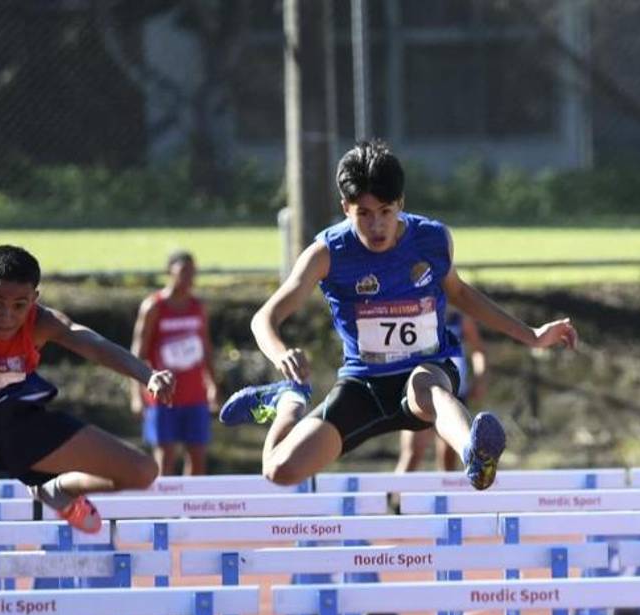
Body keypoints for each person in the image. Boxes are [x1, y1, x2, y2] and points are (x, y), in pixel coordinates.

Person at [218, 139, 577, 493]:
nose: (377, 226)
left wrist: (531, 335)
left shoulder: (432, 240)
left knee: (428, 388)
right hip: (364, 384)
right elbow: (264, 318)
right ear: (346, 208)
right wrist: (280, 353)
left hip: (426, 368)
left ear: (400, 204)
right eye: (364, 214)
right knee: (279, 470)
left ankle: (475, 454)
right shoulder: (327, 254)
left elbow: (461, 294)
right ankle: (288, 400)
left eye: (386, 212)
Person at [0, 245, 174, 532]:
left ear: (34, 300)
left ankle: (55, 489)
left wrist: (147, 374)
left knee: (142, 472)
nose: (5, 316)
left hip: (17, 424)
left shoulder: (41, 323)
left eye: (19, 305)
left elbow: (95, 347)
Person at [131, 250, 218, 475]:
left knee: (198, 455)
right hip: (162, 395)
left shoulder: (198, 307)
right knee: (165, 457)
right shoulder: (154, 307)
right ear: (170, 273)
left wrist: (213, 384)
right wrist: (136, 393)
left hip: (195, 394)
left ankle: (193, 509)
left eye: (192, 273)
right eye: (183, 273)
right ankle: (163, 509)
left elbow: (206, 348)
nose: (189, 278)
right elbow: (138, 352)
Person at [394, 310, 487, 474]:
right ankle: (392, 498)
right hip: (422, 393)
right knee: (412, 454)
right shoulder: (415, 313)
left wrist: (480, 380)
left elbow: (478, 349)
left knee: (448, 457)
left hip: (454, 394)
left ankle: (446, 498)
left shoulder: (460, 318)